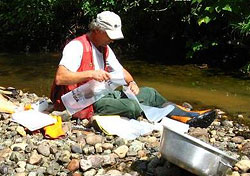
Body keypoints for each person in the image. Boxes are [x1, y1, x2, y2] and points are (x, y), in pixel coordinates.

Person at [50, 11, 216, 128]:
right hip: (83, 101)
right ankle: (181, 117)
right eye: (109, 35)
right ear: (97, 30)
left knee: (150, 93)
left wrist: (132, 82)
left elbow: (122, 71)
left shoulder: (104, 47)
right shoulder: (76, 46)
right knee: (132, 107)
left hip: (102, 93)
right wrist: (92, 73)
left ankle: (187, 115)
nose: (112, 40)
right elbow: (61, 78)